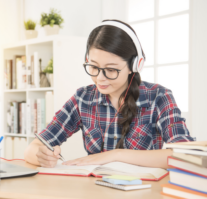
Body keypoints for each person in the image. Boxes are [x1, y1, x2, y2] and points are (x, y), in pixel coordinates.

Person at [24, 19, 195, 169]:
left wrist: (115, 155)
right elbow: (33, 148)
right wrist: (41, 155)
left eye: (111, 69)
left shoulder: (159, 96)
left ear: (135, 65)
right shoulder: (83, 98)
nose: (100, 78)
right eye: (93, 67)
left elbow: (184, 155)